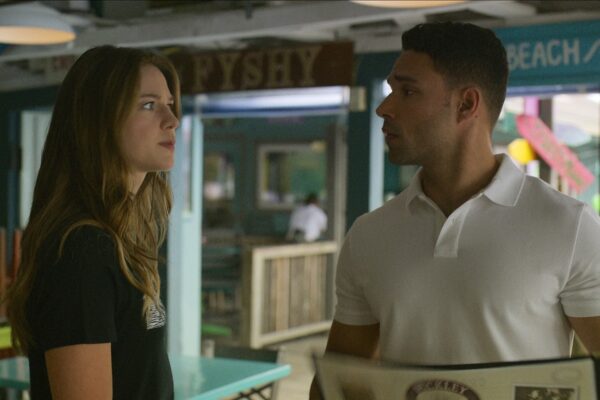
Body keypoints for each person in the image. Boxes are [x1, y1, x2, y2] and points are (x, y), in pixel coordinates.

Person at [310, 21, 600, 398]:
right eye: (391, 90)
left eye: (408, 91)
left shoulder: (569, 226)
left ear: (466, 104)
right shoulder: (369, 235)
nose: (384, 108)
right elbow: (338, 384)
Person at [4, 45, 180, 399]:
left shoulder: (118, 240)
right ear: (99, 121)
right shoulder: (82, 250)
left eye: (170, 104)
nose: (172, 120)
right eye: (149, 105)